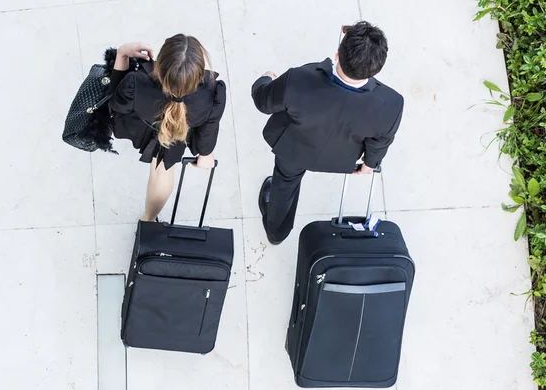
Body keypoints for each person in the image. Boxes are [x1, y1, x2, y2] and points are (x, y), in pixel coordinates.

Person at [252, 21, 404, 245]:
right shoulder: (391, 103)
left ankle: (276, 233)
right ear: (377, 68)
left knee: (284, 184)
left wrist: (266, 79)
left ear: (337, 55)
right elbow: (381, 140)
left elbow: (263, 102)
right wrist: (370, 164)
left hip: (294, 151)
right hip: (340, 159)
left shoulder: (299, 79)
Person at [108, 34, 226, 221]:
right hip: (178, 134)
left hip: (145, 130)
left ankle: (148, 219)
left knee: (160, 161)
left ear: (160, 65)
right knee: (164, 169)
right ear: (197, 74)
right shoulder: (213, 93)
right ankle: (148, 218)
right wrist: (206, 154)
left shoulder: (135, 83)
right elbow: (208, 127)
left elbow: (115, 102)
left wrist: (122, 54)